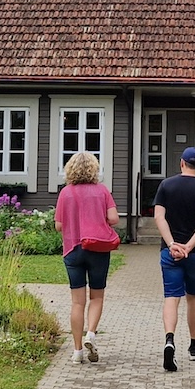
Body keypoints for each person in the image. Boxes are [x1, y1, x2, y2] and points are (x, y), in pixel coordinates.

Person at [152, 145, 195, 372]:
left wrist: (172, 244)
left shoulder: (165, 186)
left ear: (181, 163)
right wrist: (189, 247)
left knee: (172, 296)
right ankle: (194, 347)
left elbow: (158, 217)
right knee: (193, 297)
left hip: (170, 252)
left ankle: (169, 340)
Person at [54, 152, 120, 364]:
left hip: (73, 249)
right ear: (94, 169)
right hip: (98, 249)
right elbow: (114, 219)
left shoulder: (65, 193)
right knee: (97, 297)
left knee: (77, 303)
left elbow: (59, 226)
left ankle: (77, 351)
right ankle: (90, 333)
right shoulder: (102, 191)